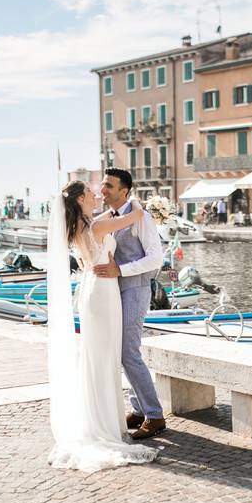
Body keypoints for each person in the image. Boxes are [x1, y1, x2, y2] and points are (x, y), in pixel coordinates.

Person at [46, 173, 161, 473]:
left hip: (101, 289)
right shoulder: (98, 223)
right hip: (103, 291)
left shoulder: (85, 224)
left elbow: (150, 252)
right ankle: (139, 413)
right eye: (93, 189)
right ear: (82, 199)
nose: (99, 191)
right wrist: (143, 207)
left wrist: (140, 211)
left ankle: (121, 413)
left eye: (107, 186)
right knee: (109, 355)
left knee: (107, 355)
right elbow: (134, 214)